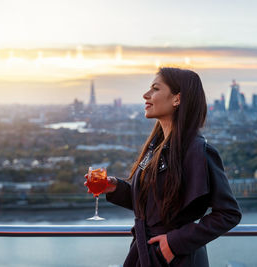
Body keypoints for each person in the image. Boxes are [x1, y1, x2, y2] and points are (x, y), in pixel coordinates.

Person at [85, 67, 242, 267]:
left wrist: (174, 243)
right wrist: (115, 187)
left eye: (155, 89)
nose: (146, 95)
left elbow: (229, 214)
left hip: (177, 259)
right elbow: (155, 207)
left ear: (177, 99)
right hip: (148, 254)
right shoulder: (156, 147)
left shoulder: (198, 151)